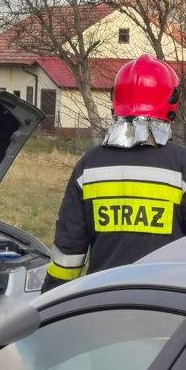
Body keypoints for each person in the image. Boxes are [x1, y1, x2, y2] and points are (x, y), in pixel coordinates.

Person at [42, 54, 186, 292]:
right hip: (167, 304)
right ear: (171, 101)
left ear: (115, 99)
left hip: (104, 302)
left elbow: (69, 253)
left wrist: (48, 303)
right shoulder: (181, 165)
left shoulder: (89, 166)